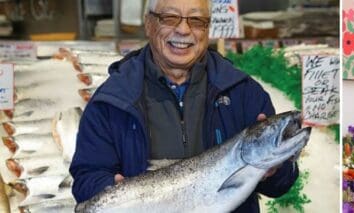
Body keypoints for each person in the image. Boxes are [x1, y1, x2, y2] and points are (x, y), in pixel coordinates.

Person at [70, 0, 299, 212]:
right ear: (149, 25)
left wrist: (275, 170)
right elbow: (86, 176)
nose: (183, 30)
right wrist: (112, 190)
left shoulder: (244, 93)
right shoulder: (112, 98)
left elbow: (280, 186)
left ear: (208, 30)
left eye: (196, 21)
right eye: (170, 18)